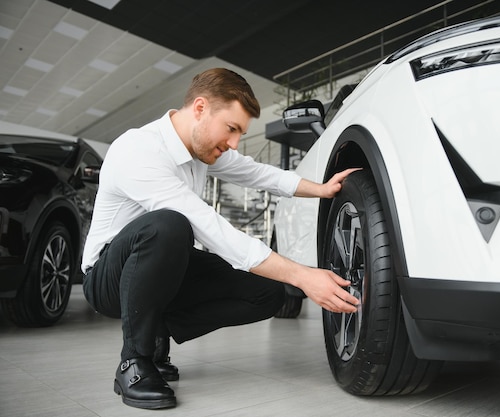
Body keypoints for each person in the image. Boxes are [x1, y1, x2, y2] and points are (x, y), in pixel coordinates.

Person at [81, 67, 360, 410]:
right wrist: (304, 275)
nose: (233, 143)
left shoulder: (201, 150)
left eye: (240, 133)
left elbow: (257, 173)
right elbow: (207, 226)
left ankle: (154, 328)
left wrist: (320, 189)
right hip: (109, 277)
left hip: (168, 267)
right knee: (169, 225)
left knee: (268, 292)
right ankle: (134, 363)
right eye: (232, 129)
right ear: (200, 108)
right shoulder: (138, 149)